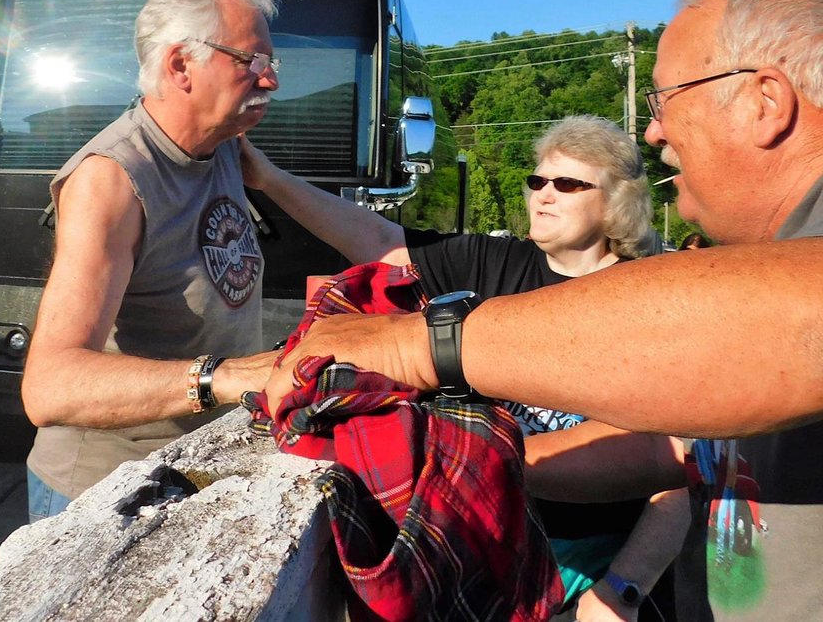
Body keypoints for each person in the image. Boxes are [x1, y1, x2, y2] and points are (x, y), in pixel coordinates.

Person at [264, 0, 823, 621]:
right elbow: (684, 449)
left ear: (765, 101)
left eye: (664, 101)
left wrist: (420, 346)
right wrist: (478, 460)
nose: (653, 130)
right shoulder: (785, 247)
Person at [242, 115, 691, 619]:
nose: (543, 194)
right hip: (488, 541)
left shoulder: (653, 297)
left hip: (597, 563)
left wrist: (622, 589)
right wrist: (268, 179)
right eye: (537, 180)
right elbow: (377, 240)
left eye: (567, 184)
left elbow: (682, 467)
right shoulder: (491, 263)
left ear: (617, 202)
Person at [20, 0, 280, 522]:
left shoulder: (225, 149)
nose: (271, 79)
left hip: (196, 467)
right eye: (252, 60)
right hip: (105, 494)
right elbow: (49, 386)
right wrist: (227, 377)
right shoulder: (111, 179)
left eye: (271, 60)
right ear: (182, 64)